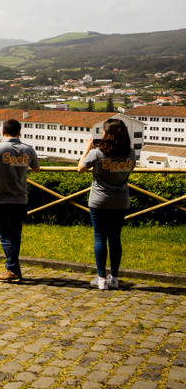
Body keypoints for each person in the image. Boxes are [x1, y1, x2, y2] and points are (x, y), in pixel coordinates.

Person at [0, 118, 41, 282]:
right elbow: (36, 168)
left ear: (2, 132)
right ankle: (12, 268)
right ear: (20, 132)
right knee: (15, 235)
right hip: (21, 198)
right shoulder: (28, 149)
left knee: (4, 235)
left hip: (2, 198)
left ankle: (13, 269)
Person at [77, 118, 136, 290]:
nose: (101, 134)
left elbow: (80, 168)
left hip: (100, 201)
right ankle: (115, 278)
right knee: (115, 238)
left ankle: (101, 278)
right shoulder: (131, 153)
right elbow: (129, 170)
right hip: (121, 201)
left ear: (109, 134)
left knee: (100, 237)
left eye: (103, 131)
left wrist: (87, 149)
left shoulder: (97, 152)